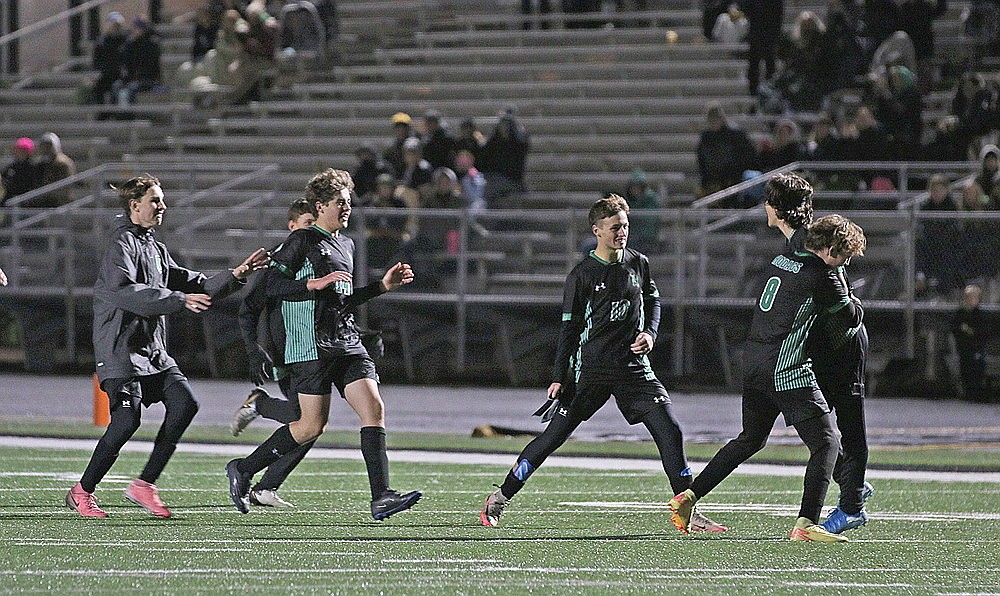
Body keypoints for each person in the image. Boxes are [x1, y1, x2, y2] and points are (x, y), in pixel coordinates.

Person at [479, 194, 727, 533]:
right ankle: (500, 498)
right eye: (614, 228)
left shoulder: (639, 262)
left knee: (671, 431)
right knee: (553, 437)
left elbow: (653, 300)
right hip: (590, 371)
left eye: (625, 226)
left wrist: (650, 334)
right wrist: (558, 376)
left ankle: (686, 509)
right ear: (597, 231)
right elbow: (569, 329)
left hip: (633, 369)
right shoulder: (581, 275)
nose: (621, 233)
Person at [65, 174, 269, 518]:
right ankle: (82, 491)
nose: (163, 206)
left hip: (152, 352)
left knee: (185, 404)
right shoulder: (122, 245)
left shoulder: (153, 246)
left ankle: (144, 485)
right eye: (155, 200)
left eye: (161, 200)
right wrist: (179, 299)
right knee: (126, 421)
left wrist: (235, 274)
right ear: (135, 206)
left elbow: (195, 282)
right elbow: (126, 293)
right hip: (120, 351)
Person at [226, 168, 422, 520]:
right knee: (310, 426)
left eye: (348, 202)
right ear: (319, 206)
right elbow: (270, 288)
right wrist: (312, 285)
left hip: (346, 344)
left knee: (373, 409)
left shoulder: (345, 243)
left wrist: (381, 287)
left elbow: (341, 299)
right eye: (339, 203)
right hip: (309, 346)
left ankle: (381, 496)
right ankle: (243, 468)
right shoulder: (301, 241)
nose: (346, 208)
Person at [669, 206, 867, 543]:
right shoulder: (825, 275)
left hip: (754, 361)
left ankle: (688, 496)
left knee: (751, 438)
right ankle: (806, 523)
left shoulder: (781, 260)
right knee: (827, 442)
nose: (845, 264)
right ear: (831, 250)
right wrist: (853, 297)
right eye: (844, 256)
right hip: (785, 366)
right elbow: (851, 317)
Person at [760, 174, 874, 534]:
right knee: (817, 423)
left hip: (845, 348)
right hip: (819, 348)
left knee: (846, 426)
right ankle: (849, 479)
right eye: (838, 256)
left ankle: (852, 503)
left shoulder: (823, 260)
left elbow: (851, 313)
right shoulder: (805, 246)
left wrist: (847, 297)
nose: (839, 262)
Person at [228, 198, 317, 508]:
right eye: (306, 225)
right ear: (292, 227)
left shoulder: (321, 256)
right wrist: (255, 351)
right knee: (304, 420)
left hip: (315, 351)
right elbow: (248, 308)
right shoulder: (281, 262)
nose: (311, 231)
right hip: (289, 351)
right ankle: (260, 404)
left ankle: (266, 486)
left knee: (310, 423)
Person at [695, 102, 758, 200]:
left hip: (734, 178)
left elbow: (747, 156)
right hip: (713, 179)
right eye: (711, 119)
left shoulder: (736, 135)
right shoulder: (706, 137)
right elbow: (702, 159)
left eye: (716, 118)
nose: (713, 122)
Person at [112, 17, 162, 106]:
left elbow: (151, 67)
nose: (134, 30)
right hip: (131, 78)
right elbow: (124, 60)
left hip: (146, 79)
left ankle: (128, 115)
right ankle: (117, 114)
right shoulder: (129, 44)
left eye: (136, 28)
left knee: (131, 88)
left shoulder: (151, 45)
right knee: (116, 86)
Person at [952, 284, 988, 402]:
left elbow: (981, 331)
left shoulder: (979, 314)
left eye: (974, 297)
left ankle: (976, 393)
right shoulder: (961, 313)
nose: (971, 300)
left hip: (976, 347)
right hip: (964, 347)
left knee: (977, 369)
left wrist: (969, 330)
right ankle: (967, 392)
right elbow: (955, 327)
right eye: (969, 297)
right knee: (965, 368)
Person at [89, 11, 128, 104]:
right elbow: (96, 61)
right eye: (113, 25)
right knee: (97, 88)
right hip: (106, 75)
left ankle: (117, 114)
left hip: (121, 75)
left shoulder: (125, 40)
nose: (115, 28)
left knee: (117, 88)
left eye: (117, 25)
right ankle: (102, 114)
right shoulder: (101, 43)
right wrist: (97, 74)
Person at [33, 133, 77, 208]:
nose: (45, 149)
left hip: (61, 203)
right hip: (49, 201)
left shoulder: (62, 163)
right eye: (44, 146)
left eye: (48, 146)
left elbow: (65, 186)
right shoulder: (44, 163)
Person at [0, 137, 37, 204]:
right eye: (19, 149)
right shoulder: (12, 166)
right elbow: (4, 179)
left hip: (26, 199)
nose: (20, 152)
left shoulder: (33, 167)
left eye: (24, 150)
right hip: (10, 198)